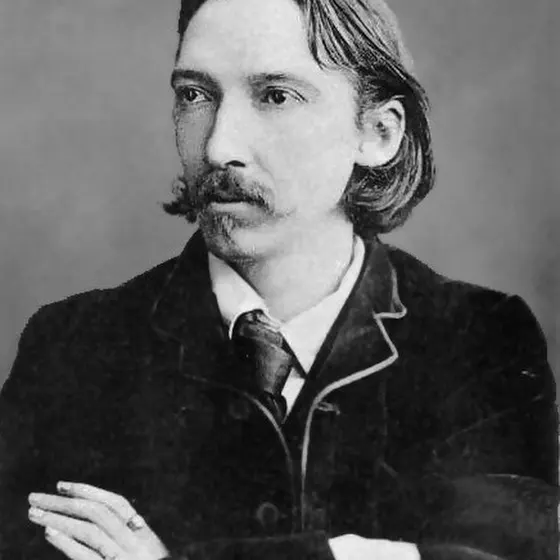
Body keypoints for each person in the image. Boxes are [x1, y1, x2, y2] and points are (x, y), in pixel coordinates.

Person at [0, 0, 557, 558]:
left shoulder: (480, 340)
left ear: (379, 133)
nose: (219, 147)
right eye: (194, 95)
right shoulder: (73, 346)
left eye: (275, 96)